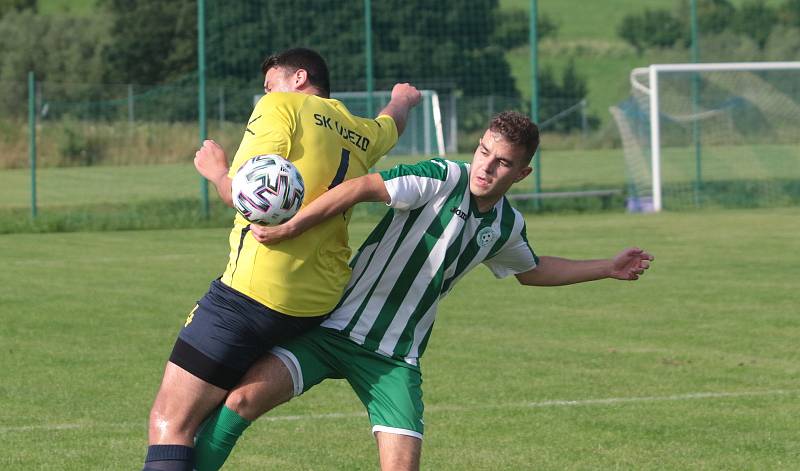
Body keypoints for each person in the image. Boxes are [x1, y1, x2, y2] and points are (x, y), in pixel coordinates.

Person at [191, 111, 655, 470]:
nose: (487, 167)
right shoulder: (440, 177)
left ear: (523, 173)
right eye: (483, 152)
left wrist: (607, 268)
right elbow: (360, 188)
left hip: (394, 355)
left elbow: (531, 270)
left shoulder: (507, 225)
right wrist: (294, 224)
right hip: (332, 328)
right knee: (241, 401)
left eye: (503, 163)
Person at [142, 47, 421, 471]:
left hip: (253, 294)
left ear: (299, 78)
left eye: (269, 83)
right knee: (217, 414)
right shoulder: (361, 131)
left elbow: (248, 196)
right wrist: (403, 97)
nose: (265, 92)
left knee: (170, 421)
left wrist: (216, 171)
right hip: (316, 306)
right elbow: (391, 124)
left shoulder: (281, 106)